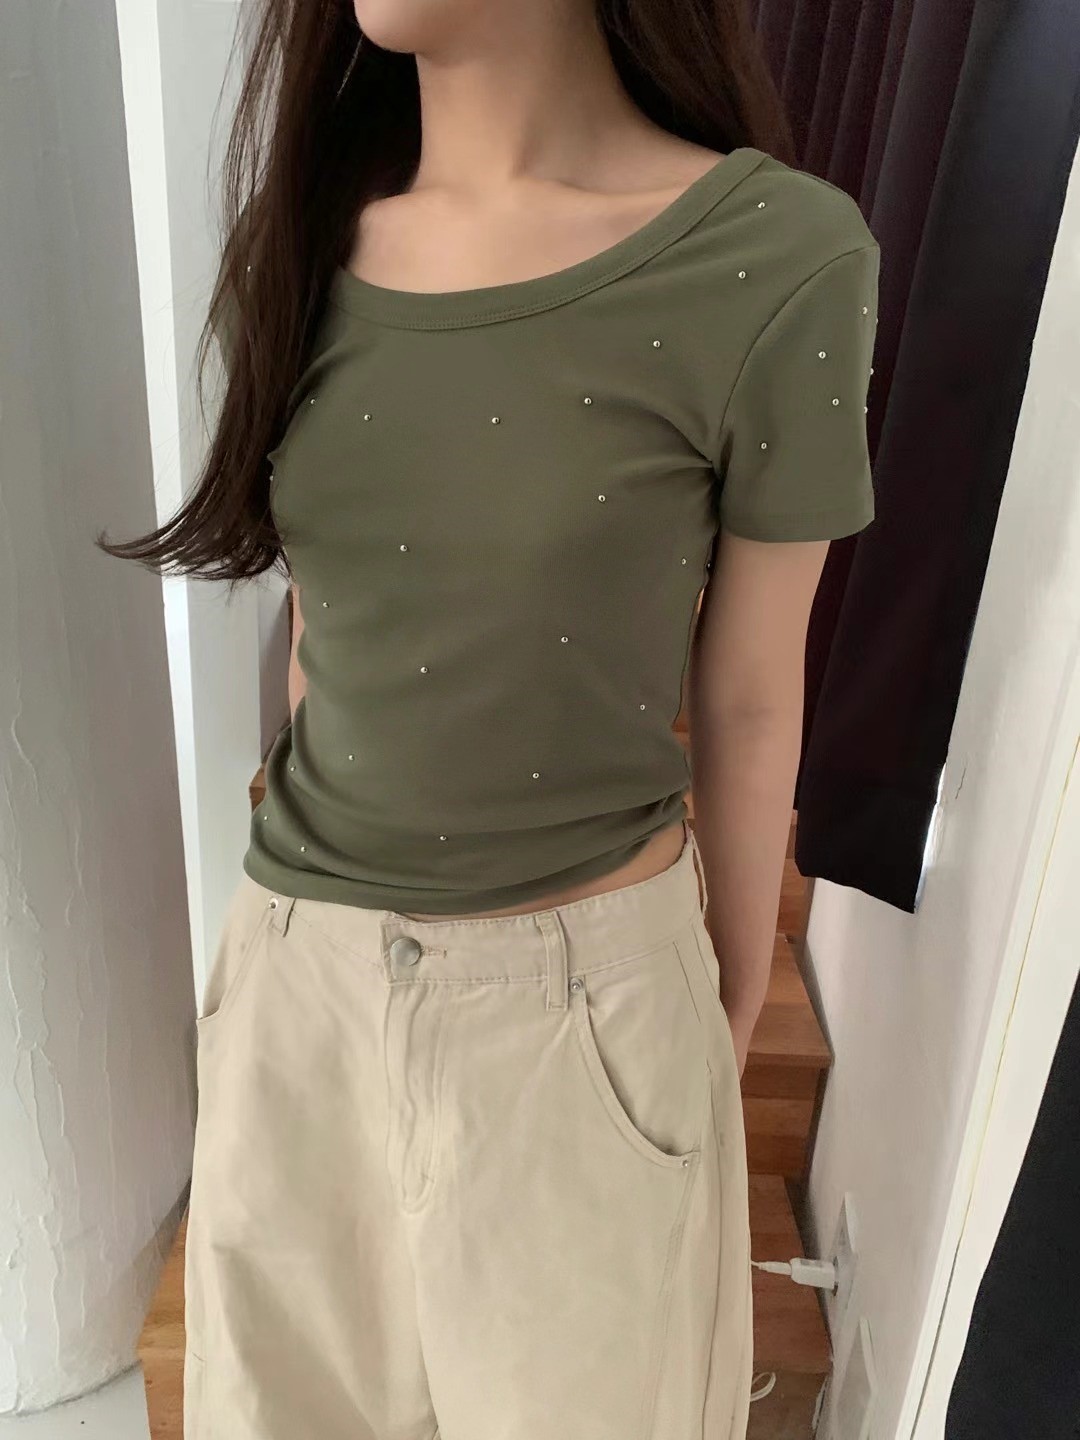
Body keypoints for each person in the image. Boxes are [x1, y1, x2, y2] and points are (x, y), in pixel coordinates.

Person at [99, 1, 878, 1435]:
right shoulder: (305, 238)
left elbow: (754, 693)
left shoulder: (776, 257)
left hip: (582, 1015)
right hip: (296, 1001)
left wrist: (718, 1001)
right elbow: (324, 628)